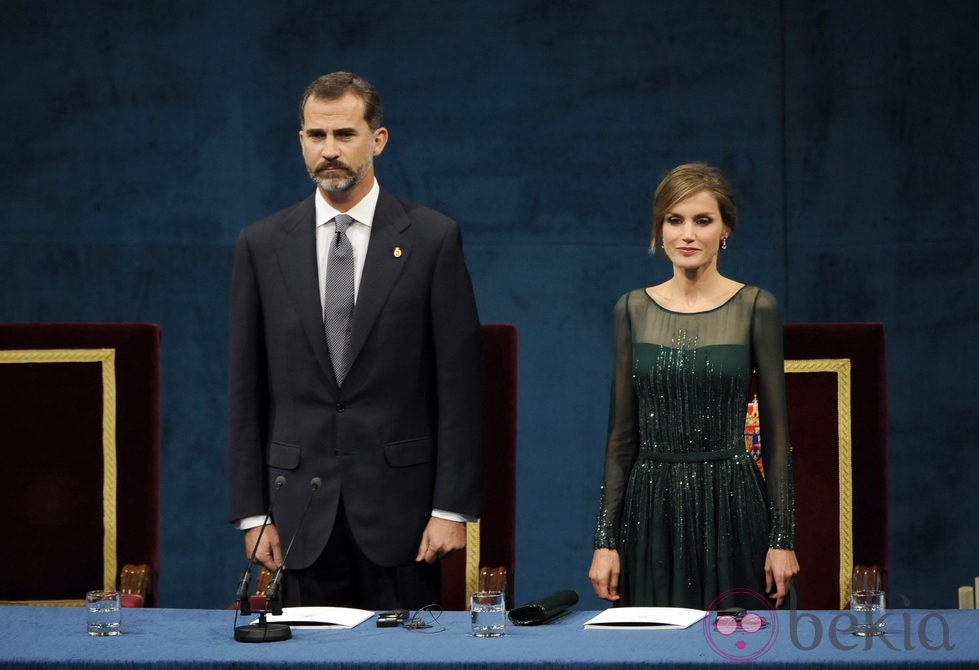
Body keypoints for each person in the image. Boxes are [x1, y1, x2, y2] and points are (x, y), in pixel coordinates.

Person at [227, 72, 485, 611]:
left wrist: (451, 509)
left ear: (378, 140)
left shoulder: (433, 239)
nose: (329, 151)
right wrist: (253, 512)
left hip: (404, 520)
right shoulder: (262, 243)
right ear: (301, 141)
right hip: (297, 514)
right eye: (316, 136)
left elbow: (460, 388)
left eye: (344, 135)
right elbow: (244, 388)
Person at [588, 162, 799, 609]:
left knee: (740, 648)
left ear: (725, 230)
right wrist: (605, 540)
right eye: (674, 220)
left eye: (703, 220)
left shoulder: (755, 306)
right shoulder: (631, 309)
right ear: (659, 229)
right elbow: (621, 437)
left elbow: (778, 438)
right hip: (650, 514)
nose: (688, 234)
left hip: (735, 506)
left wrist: (783, 538)